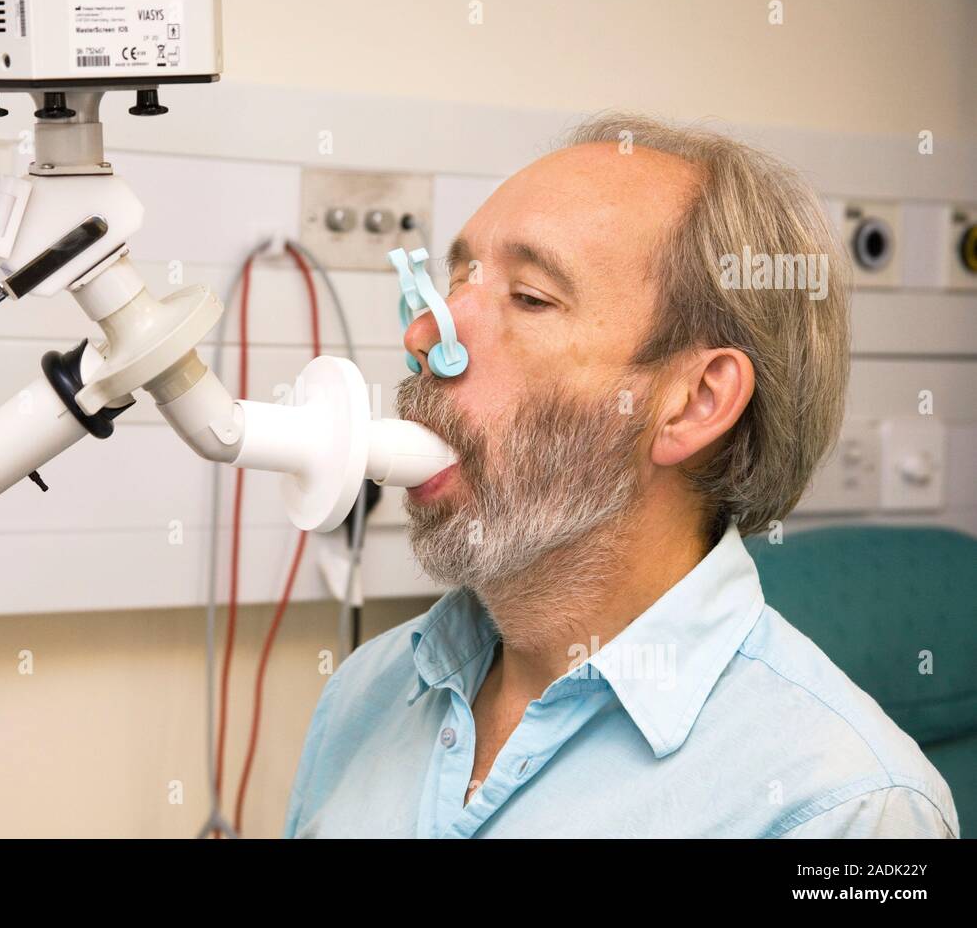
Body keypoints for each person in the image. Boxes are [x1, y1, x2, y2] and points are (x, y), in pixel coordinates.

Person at [283, 114, 957, 838]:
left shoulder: (843, 807)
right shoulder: (367, 693)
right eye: (453, 285)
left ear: (694, 402)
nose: (424, 337)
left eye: (531, 297)